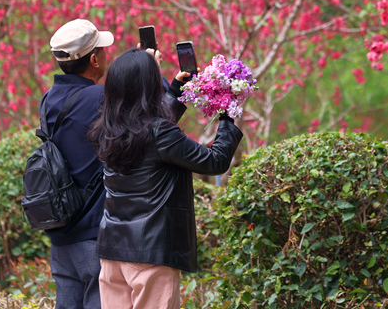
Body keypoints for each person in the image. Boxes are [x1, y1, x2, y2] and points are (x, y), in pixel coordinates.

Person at [88, 48, 243, 309]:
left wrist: (176, 91)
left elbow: (146, 131)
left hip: (112, 250)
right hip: (151, 252)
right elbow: (215, 161)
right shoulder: (159, 134)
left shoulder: (107, 129)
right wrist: (228, 115)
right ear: (149, 86)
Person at [41, 18, 116, 309]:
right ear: (94, 60)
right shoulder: (100, 96)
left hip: (62, 228)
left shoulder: (48, 99)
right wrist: (152, 71)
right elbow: (149, 122)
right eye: (102, 50)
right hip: (93, 230)